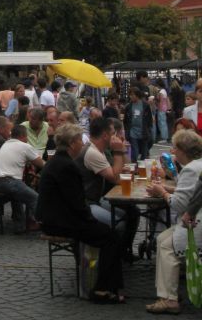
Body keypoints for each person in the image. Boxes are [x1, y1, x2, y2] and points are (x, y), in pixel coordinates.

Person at [36, 122, 125, 304]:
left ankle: (110, 286)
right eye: (80, 141)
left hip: (55, 217)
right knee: (111, 237)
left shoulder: (58, 162)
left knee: (109, 233)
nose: (83, 144)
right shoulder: (67, 166)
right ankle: (102, 289)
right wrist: (91, 221)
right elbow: (77, 204)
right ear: (72, 143)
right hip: (59, 221)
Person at [145, 129, 202, 314]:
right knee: (162, 238)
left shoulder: (191, 169)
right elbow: (191, 193)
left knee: (167, 245)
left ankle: (169, 299)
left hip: (195, 222)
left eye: (175, 147)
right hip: (196, 219)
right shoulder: (197, 165)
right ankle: (166, 293)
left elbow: (179, 204)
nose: (173, 151)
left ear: (183, 150)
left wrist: (162, 192)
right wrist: (167, 189)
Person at [75, 116, 139, 261]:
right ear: (105, 135)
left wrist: (121, 153)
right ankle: (111, 259)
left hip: (96, 199)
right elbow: (115, 178)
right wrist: (118, 152)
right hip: (85, 204)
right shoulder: (92, 152)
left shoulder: (100, 150)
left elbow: (123, 170)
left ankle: (122, 253)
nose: (115, 137)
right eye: (113, 133)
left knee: (130, 213)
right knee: (119, 223)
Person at [124, 86, 154, 161]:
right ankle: (134, 164)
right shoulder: (128, 106)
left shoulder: (145, 105)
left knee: (144, 152)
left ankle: (142, 165)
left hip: (143, 131)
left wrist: (148, 129)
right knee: (135, 151)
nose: (131, 96)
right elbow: (126, 120)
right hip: (132, 132)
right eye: (130, 95)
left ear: (137, 95)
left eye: (132, 95)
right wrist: (127, 132)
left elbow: (149, 119)